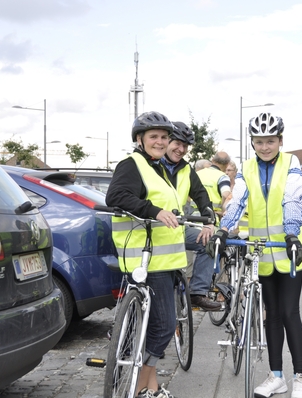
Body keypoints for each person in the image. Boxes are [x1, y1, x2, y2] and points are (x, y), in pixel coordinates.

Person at [207, 112, 302, 398]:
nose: (265, 146)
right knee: (271, 316)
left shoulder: (291, 162)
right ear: (252, 143)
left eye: (270, 141)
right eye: (259, 141)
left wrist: (291, 232)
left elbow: (292, 197)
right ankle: (276, 376)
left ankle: (300, 378)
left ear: (280, 140)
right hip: (262, 253)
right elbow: (238, 199)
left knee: (290, 313)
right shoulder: (247, 168)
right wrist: (224, 229)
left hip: (289, 250)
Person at [105, 111, 182, 398]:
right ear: (140, 139)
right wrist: (155, 211)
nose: (160, 142)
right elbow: (116, 197)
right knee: (164, 328)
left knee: (153, 328)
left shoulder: (157, 167)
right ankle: (140, 385)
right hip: (148, 259)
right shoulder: (132, 164)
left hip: (162, 258)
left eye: (164, 137)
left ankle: (150, 386)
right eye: (154, 137)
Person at [160, 121, 220, 311]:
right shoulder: (150, 163)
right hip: (150, 228)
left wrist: (210, 223)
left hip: (177, 228)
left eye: (185, 146)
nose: (181, 149)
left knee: (209, 242)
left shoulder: (186, 169)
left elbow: (202, 197)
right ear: (167, 140)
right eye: (177, 143)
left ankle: (197, 293)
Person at [196, 151, 232, 220]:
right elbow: (226, 195)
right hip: (213, 218)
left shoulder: (198, 174)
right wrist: (222, 211)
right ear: (227, 164)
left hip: (194, 218)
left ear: (212, 160)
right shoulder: (223, 177)